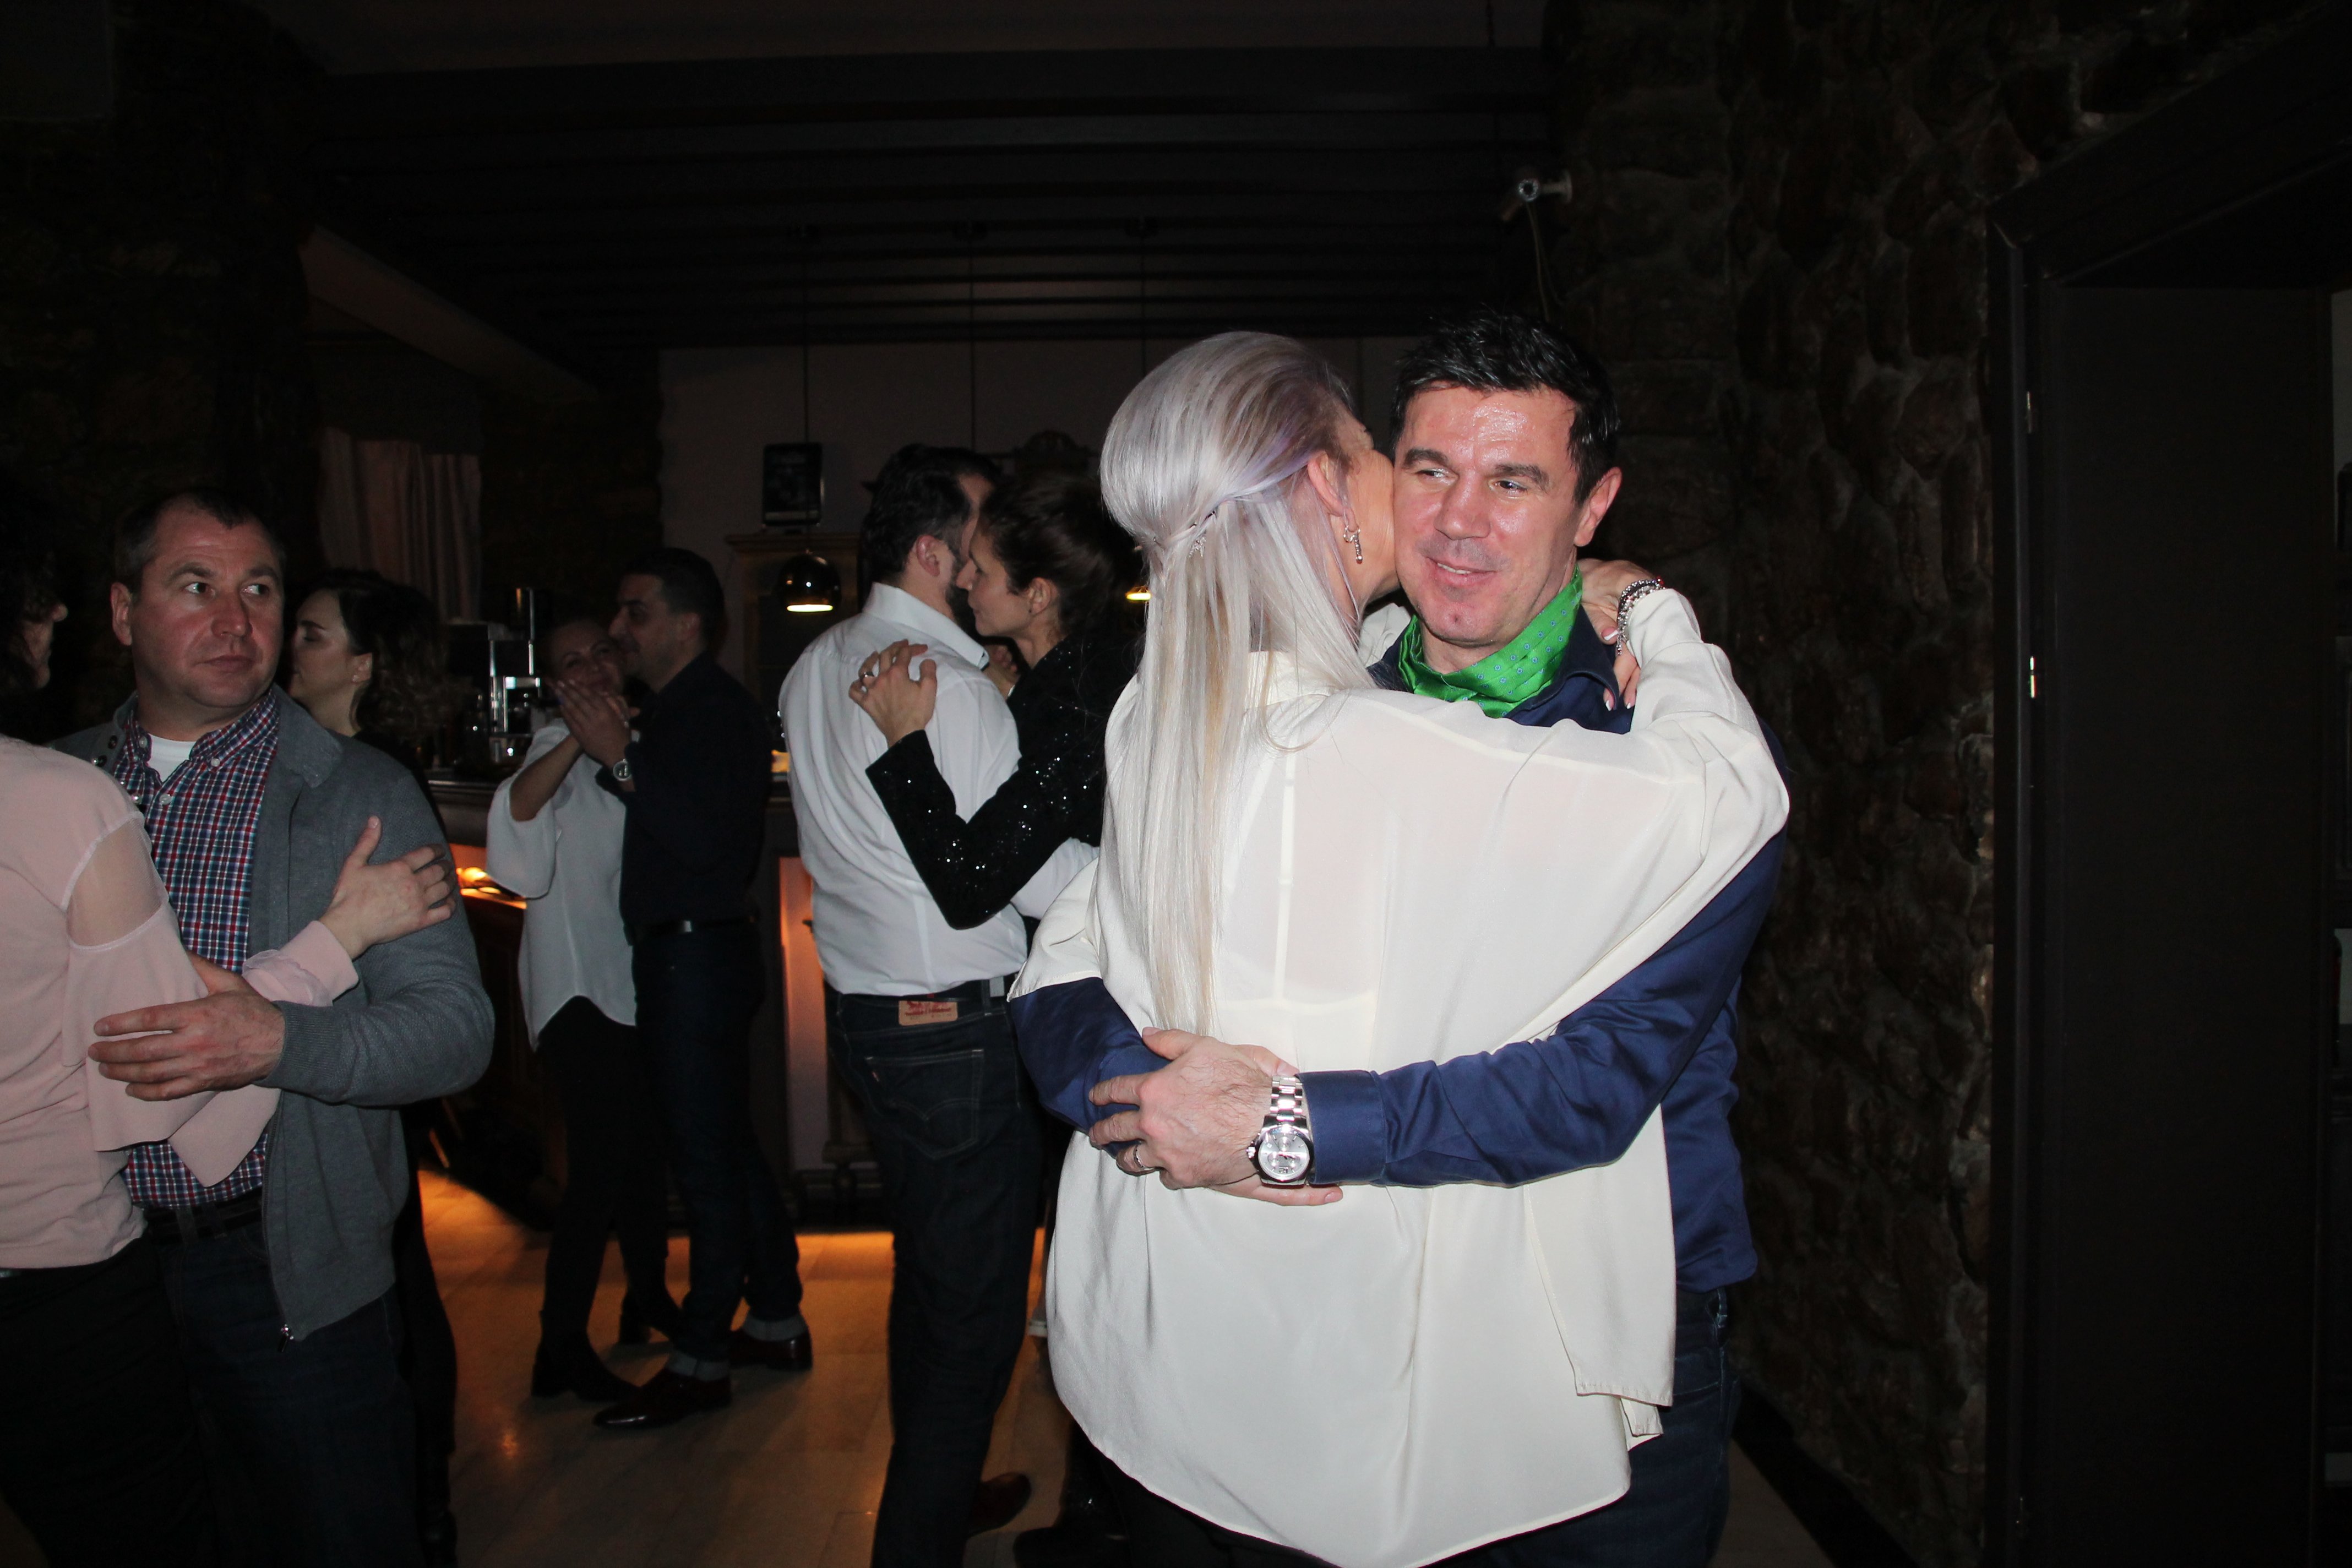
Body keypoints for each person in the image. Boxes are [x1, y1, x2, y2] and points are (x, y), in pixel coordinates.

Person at [1001, 330, 1787, 1568]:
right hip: (1331, 1363)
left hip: (1600, 1335)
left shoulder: (1636, 723)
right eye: (1423, 467)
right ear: (1343, 484)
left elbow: (1597, 1080)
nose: (1459, 519)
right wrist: (1147, 1084)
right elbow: (1083, 934)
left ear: (1593, 508)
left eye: (1513, 480)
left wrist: (1281, 1125)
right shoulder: (1303, 695)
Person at [54, 488, 495, 1568]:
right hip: (90, 1268)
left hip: (282, 1267)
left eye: (259, 589)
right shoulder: (55, 787)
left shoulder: (354, 790)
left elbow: (455, 1031)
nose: (235, 619)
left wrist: (280, 1042)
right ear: (123, 611)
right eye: (195, 585)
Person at [781, 448, 1097, 1566]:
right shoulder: (950, 687)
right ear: (931, 549)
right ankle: (917, 1534)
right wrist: (1142, 875)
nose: (980, 559)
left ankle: (943, 1491)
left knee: (928, 1286)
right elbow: (1026, 879)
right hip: (954, 1031)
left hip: (868, 1023)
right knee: (973, 1325)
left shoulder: (815, 662)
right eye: (973, 536)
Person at [558, 546, 811, 1431]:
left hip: (696, 958)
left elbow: (702, 842)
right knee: (726, 1149)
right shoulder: (682, 709)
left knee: (704, 1166)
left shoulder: (711, 711)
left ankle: (700, 1359)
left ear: (687, 623)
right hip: (695, 955)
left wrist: (621, 759)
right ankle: (775, 1318)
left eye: (636, 613)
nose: (619, 629)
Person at [281, 565, 465, 1563]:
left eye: (311, 633)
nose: (288, 647)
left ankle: (420, 1497)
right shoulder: (297, 773)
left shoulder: (374, 781)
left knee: (395, 1278)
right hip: (342, 1060)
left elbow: (431, 987)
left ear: (362, 664)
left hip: (367, 1060)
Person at [488, 614, 682, 1401]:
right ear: (555, 680)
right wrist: (578, 733)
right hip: (575, 989)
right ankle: (558, 1344)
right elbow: (516, 822)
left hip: (636, 981)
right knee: (600, 1168)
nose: (593, 667)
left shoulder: (648, 738)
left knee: (643, 1157)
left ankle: (648, 1298)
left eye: (601, 652)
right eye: (572, 662)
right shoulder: (552, 745)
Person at [848, 467, 1140, 926]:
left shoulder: (1078, 705)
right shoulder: (1088, 673)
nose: (964, 579)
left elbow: (968, 887)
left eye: (981, 569)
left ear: (1037, 596)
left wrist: (904, 739)